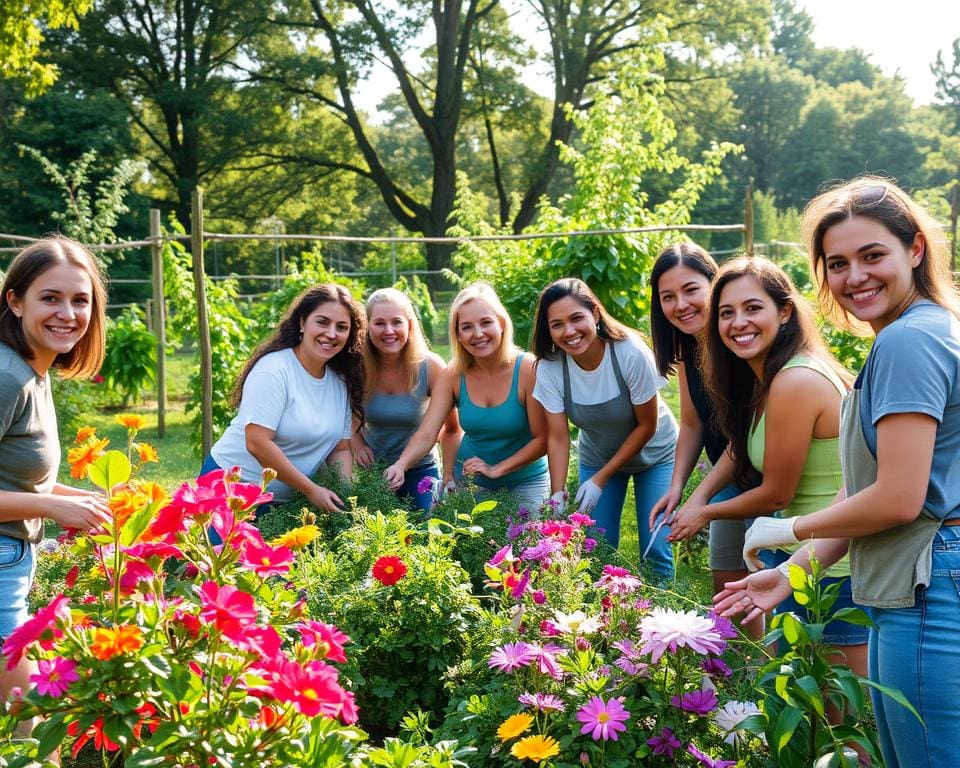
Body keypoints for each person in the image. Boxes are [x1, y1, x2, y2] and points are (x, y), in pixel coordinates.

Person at [716, 178, 960, 767]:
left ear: (916, 250)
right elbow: (866, 480)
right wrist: (794, 572)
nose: (856, 277)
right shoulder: (925, 330)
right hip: (916, 578)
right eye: (838, 264)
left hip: (927, 581)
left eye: (873, 255)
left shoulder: (908, 342)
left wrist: (790, 529)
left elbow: (899, 498)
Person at [670, 256, 867, 674]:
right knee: (797, 708)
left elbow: (777, 492)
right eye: (726, 313)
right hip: (803, 558)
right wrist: (698, 497)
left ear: (785, 310)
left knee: (828, 722)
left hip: (832, 572)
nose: (738, 322)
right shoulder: (770, 377)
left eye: (752, 308)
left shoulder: (795, 381)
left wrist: (704, 512)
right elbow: (741, 446)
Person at [0, 236, 111, 697]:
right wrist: (51, 509)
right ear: (15, 301)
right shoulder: (8, 377)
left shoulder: (33, 370)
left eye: (80, 300)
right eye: (51, 298)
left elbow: (16, 474)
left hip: (12, 557)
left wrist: (84, 501)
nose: (68, 314)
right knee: (30, 722)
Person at [531, 278, 678, 579]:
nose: (569, 332)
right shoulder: (549, 368)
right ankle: (606, 621)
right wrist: (558, 493)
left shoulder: (629, 353)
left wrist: (601, 479)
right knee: (596, 546)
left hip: (657, 455)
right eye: (556, 324)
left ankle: (664, 621)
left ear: (595, 314)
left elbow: (647, 426)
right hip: (598, 456)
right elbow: (558, 437)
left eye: (576, 318)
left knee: (656, 547)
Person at [647, 243, 761, 613]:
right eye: (668, 296)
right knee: (727, 586)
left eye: (691, 289)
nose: (680, 304)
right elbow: (693, 421)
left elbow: (742, 437)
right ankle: (747, 667)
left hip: (769, 476)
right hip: (729, 477)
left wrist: (701, 500)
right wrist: (678, 487)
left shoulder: (740, 344)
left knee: (767, 582)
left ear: (716, 284)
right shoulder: (688, 351)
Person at [203, 284, 365, 513]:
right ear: (302, 322)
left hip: (286, 501)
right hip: (232, 492)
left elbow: (340, 449)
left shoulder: (339, 383)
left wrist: (349, 499)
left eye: (341, 327)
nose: (331, 333)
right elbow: (257, 442)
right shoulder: (274, 370)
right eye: (322, 322)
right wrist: (310, 489)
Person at [385, 282, 549, 509]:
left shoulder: (527, 369)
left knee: (527, 541)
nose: (478, 334)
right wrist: (401, 465)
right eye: (467, 327)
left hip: (526, 481)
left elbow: (543, 439)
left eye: (486, 323)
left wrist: (496, 469)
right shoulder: (453, 375)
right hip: (472, 481)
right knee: (459, 540)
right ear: (458, 335)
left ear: (501, 324)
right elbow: (427, 433)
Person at [351, 288, 461, 512]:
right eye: (379, 323)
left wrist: (449, 475)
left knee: (425, 529)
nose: (389, 330)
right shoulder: (356, 366)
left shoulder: (430, 367)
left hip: (420, 471)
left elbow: (452, 428)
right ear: (367, 326)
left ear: (409, 325)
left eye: (397, 322)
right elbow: (344, 411)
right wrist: (358, 443)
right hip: (372, 472)